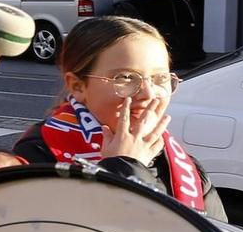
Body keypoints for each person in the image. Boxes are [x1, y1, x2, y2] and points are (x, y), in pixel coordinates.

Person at [12, 15, 222, 219]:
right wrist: (124, 167)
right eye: (125, 78)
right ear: (77, 86)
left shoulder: (183, 166)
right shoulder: (35, 157)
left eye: (160, 78)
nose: (148, 94)